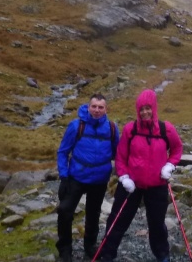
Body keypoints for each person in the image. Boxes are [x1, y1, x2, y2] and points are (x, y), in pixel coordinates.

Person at [96, 89, 184, 262]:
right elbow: (120, 157)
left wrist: (170, 165)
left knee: (157, 223)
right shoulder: (131, 129)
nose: (144, 112)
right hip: (131, 185)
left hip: (157, 185)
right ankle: (107, 254)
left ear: (154, 108)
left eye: (147, 108)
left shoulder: (166, 129)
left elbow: (177, 149)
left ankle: (162, 255)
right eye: (141, 109)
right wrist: (124, 177)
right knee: (118, 219)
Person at [57, 93, 119, 262]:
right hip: (76, 177)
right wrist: (64, 176)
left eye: (101, 107)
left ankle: (90, 247)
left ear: (106, 109)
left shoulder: (112, 128)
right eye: (94, 106)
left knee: (93, 214)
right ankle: (65, 249)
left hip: (99, 180)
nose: (97, 110)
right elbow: (63, 152)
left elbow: (118, 153)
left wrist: (123, 173)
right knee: (64, 212)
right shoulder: (76, 126)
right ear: (88, 106)